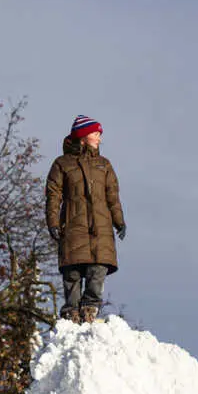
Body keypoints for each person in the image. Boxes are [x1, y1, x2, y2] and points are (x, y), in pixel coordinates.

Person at [45, 115, 126, 323]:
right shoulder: (62, 164)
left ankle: (90, 308)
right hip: (73, 225)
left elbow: (113, 196)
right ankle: (72, 312)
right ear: (82, 136)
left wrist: (119, 221)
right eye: (95, 133)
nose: (99, 138)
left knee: (97, 268)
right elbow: (53, 194)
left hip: (100, 227)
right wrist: (53, 222)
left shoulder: (104, 165)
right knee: (72, 272)